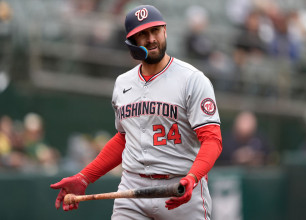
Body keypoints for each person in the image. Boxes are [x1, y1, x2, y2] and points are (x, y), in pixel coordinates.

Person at [50, 5, 222, 220]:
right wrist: (85, 177)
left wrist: (193, 177)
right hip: (133, 187)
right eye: (142, 34)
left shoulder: (192, 80)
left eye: (155, 30)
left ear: (165, 31)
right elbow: (124, 139)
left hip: (179, 185)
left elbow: (212, 140)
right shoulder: (123, 83)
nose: (151, 39)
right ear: (131, 43)